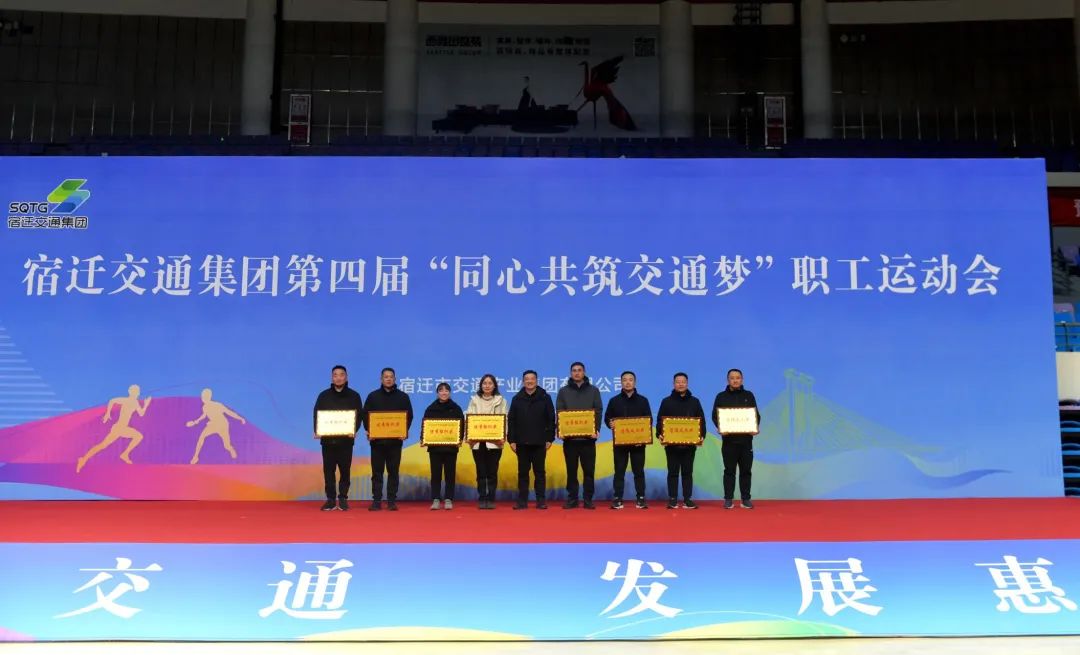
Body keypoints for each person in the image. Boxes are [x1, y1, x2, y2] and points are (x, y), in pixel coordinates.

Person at [312, 365, 363, 511]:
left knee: (345, 471)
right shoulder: (323, 396)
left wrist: (353, 430)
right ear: (332, 377)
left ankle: (343, 498)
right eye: (335, 375)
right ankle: (330, 500)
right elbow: (317, 414)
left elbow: (359, 416)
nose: (338, 377)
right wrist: (317, 430)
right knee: (328, 471)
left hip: (346, 441)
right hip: (328, 441)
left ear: (346, 377)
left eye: (341, 375)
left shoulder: (354, 396)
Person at [363, 367, 413, 512]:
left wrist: (404, 431)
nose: (389, 379)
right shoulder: (373, 396)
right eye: (386, 377)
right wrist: (369, 430)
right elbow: (365, 415)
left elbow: (409, 416)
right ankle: (376, 500)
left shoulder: (403, 397)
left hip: (395, 442)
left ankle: (391, 501)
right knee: (377, 472)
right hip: (377, 442)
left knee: (393, 472)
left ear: (395, 379)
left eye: (391, 377)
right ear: (381, 379)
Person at [556, 361, 603, 509]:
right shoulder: (563, 391)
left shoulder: (593, 390)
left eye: (579, 370)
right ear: (571, 373)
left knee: (589, 471)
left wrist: (596, 429)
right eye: (574, 370)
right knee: (571, 471)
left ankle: (588, 499)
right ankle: (572, 499)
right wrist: (560, 430)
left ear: (584, 372)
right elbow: (560, 412)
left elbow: (598, 411)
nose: (577, 373)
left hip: (588, 440)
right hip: (570, 440)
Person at [712, 368, 761, 510]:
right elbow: (715, 415)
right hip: (729, 442)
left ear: (742, 379)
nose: (735, 380)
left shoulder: (749, 395)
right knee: (729, 471)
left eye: (738, 378)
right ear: (728, 380)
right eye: (732, 378)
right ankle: (728, 499)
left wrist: (755, 427)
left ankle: (746, 499)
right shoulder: (721, 396)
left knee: (746, 471)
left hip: (746, 441)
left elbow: (756, 415)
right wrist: (721, 427)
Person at [656, 372, 705, 510]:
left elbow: (701, 421)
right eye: (678, 382)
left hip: (689, 446)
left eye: (683, 381)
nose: (681, 384)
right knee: (672, 472)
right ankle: (672, 499)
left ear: (687, 383)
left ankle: (687, 499)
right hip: (672, 445)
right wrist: (659, 434)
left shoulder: (695, 402)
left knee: (687, 472)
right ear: (673, 384)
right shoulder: (666, 401)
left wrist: (701, 435)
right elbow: (660, 420)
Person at [603, 371, 652, 510]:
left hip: (638, 443)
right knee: (619, 471)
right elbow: (607, 418)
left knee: (639, 471)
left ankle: (641, 498)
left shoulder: (643, 400)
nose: (628, 382)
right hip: (620, 444)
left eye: (630, 379)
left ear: (635, 382)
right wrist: (610, 423)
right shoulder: (614, 401)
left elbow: (649, 420)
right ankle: (618, 498)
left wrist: (642, 436)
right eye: (625, 380)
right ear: (621, 382)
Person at [507, 370, 555, 510]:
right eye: (526, 379)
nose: (529, 381)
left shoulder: (545, 397)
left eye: (532, 379)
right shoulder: (517, 398)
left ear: (536, 381)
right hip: (521, 442)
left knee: (539, 473)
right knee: (523, 473)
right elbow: (512, 420)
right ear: (523, 382)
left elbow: (551, 419)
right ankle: (522, 501)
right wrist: (512, 440)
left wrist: (550, 438)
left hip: (540, 442)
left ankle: (541, 500)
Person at [76, 384, 152, 473]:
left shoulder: (135, 403)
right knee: (102, 445)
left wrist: (146, 405)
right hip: (118, 428)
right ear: (130, 392)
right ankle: (83, 459)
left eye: (137, 391)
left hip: (124, 428)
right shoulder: (126, 400)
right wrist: (107, 413)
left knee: (138, 436)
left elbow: (141, 413)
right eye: (135, 391)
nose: (137, 393)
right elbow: (112, 401)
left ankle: (125, 454)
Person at [466, 374, 508, 510]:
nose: (487, 386)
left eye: (490, 383)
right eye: (485, 383)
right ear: (481, 385)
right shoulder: (474, 400)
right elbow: (468, 419)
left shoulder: (501, 400)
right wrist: (469, 436)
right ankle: (482, 497)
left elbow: (505, 420)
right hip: (478, 442)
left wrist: (502, 436)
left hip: (494, 442)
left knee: (492, 472)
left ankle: (491, 498)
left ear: (494, 385)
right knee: (481, 471)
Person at [423, 382, 465, 511]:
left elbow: (461, 426)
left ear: (450, 393)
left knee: (450, 474)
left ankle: (448, 499)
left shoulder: (456, 408)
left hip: (451, 448)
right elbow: (425, 425)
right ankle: (435, 499)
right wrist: (423, 438)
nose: (444, 393)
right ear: (437, 393)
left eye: (446, 390)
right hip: (435, 448)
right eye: (441, 390)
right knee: (435, 474)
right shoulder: (431, 409)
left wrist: (459, 439)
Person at [187, 388, 245, 465]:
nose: (203, 398)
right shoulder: (204, 407)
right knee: (201, 437)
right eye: (202, 396)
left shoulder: (218, 405)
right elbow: (204, 416)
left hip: (222, 425)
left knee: (226, 445)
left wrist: (240, 418)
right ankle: (195, 457)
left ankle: (231, 449)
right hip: (213, 425)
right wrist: (195, 422)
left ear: (209, 397)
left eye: (205, 397)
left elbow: (229, 412)